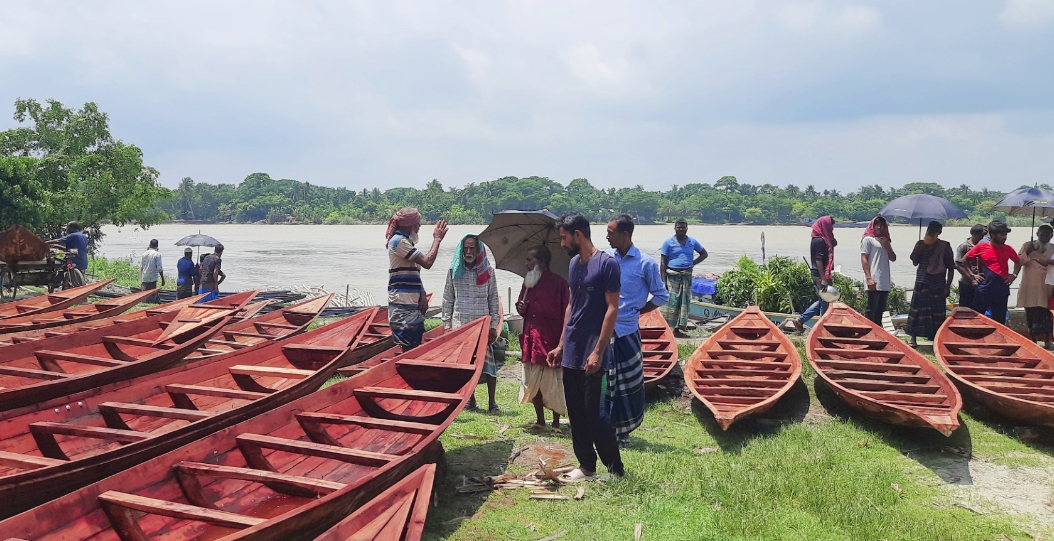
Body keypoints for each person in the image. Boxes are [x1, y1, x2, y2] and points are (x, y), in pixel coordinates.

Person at [547, 213, 624, 482]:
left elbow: (612, 309)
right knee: (577, 413)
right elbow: (572, 306)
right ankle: (587, 466)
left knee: (596, 414)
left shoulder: (608, 264)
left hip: (594, 354)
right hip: (572, 351)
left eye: (564, 237)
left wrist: (598, 351)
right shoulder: (573, 265)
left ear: (577, 235)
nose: (561, 243)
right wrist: (560, 345)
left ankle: (615, 470)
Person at [606, 214, 668, 445]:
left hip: (627, 329)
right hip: (604, 330)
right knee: (605, 380)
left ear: (625, 234)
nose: (607, 236)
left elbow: (662, 295)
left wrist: (638, 311)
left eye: (611, 233)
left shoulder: (645, 263)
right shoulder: (605, 258)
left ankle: (623, 430)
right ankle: (603, 425)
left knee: (628, 383)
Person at [441, 234, 501, 413]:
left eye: (472, 248)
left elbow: (493, 300)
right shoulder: (454, 271)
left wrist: (493, 326)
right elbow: (447, 299)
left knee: (489, 366)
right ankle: (471, 400)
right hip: (462, 326)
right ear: (461, 250)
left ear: (478, 250)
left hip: (483, 326)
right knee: (465, 366)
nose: (468, 252)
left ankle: (492, 403)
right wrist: (446, 326)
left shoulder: (488, 271)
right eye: (465, 248)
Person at [517, 245, 569, 433]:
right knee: (533, 380)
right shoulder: (528, 283)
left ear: (542, 262)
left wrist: (563, 344)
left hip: (551, 339)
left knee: (553, 381)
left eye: (530, 260)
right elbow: (522, 308)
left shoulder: (560, 284)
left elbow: (567, 315)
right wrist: (520, 309)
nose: (526, 264)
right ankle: (540, 420)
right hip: (531, 338)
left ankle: (556, 423)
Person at [386, 207, 448, 352]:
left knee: (414, 341)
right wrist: (437, 239)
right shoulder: (399, 242)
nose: (419, 227)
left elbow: (413, 272)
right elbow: (427, 262)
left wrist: (422, 293)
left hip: (410, 302)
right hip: (403, 303)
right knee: (409, 345)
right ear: (411, 225)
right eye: (418, 224)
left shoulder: (406, 242)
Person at [906, 222, 955, 347]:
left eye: (935, 230)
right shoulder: (920, 244)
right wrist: (919, 247)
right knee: (917, 311)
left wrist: (947, 286)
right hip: (922, 281)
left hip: (938, 283)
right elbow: (914, 261)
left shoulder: (944, 246)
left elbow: (951, 267)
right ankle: (913, 337)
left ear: (939, 232)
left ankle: (936, 339)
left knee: (937, 314)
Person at [967, 221, 1021, 326]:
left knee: (1000, 320)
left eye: (1005, 234)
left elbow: (1018, 262)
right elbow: (963, 261)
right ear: (992, 235)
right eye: (1002, 234)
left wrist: (1014, 275)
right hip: (984, 288)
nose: (1004, 237)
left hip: (1002, 288)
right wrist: (973, 275)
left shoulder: (1008, 248)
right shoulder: (981, 247)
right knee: (978, 317)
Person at [660, 219, 708, 337]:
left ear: (687, 228)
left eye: (683, 227)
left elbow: (704, 254)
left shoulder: (692, 241)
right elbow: (662, 263)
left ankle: (677, 330)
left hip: (686, 277)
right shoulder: (668, 242)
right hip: (672, 276)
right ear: (674, 228)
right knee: (671, 303)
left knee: (683, 303)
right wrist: (663, 281)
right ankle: (668, 329)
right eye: (678, 227)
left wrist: (692, 263)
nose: (681, 229)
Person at [788, 215, 836, 332]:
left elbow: (823, 255)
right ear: (824, 226)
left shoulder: (818, 238)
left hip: (819, 273)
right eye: (830, 227)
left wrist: (832, 242)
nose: (832, 230)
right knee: (827, 299)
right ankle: (821, 327)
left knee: (823, 299)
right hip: (821, 274)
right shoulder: (820, 241)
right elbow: (818, 260)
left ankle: (801, 321)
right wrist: (824, 278)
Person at [1017, 224, 1054, 348]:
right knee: (1031, 314)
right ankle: (1033, 341)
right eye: (1042, 234)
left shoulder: (1053, 248)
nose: (1044, 237)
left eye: (1047, 235)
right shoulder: (1027, 245)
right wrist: (1029, 251)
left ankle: (1048, 341)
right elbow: (1019, 262)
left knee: (1046, 314)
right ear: (1037, 234)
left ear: (1051, 236)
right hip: (1030, 286)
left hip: (1047, 287)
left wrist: (1048, 262)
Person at [860, 216, 897, 326]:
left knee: (880, 309)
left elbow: (893, 258)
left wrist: (886, 245)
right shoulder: (868, 240)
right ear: (873, 226)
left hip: (884, 280)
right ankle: (868, 332)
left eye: (882, 225)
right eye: (877, 225)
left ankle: (877, 332)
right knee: (871, 309)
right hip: (873, 279)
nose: (879, 227)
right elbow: (864, 258)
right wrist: (869, 277)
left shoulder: (885, 240)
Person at [955, 224, 987, 310]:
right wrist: (972, 277)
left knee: (979, 309)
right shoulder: (964, 246)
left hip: (981, 282)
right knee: (966, 308)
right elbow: (958, 265)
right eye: (981, 235)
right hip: (967, 283)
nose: (983, 237)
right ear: (975, 234)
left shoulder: (983, 246)